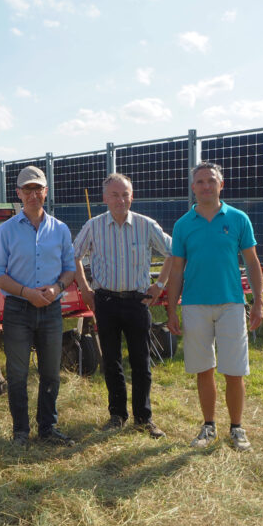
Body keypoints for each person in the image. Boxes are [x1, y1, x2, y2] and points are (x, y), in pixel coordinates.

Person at [166, 162, 263, 452]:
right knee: (204, 369)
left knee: (234, 370)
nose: (206, 186)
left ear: (222, 185)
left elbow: (252, 262)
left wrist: (258, 301)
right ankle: (208, 425)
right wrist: (171, 309)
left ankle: (237, 428)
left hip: (232, 304)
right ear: (193, 187)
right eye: (200, 181)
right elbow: (177, 271)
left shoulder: (238, 219)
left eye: (211, 180)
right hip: (194, 306)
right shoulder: (183, 225)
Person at [73, 173, 173, 438]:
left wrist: (159, 285)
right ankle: (117, 415)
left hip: (137, 303)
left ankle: (144, 418)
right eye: (114, 195)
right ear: (105, 198)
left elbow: (174, 252)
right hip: (105, 302)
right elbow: (73, 256)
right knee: (112, 361)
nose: (120, 199)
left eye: (125, 194)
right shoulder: (94, 226)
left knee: (141, 361)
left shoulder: (145, 225)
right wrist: (85, 289)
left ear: (132, 196)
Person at [0, 166, 77, 447]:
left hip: (51, 308)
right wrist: (27, 293)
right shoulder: (5, 230)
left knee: (51, 372)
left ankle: (48, 428)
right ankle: (21, 432)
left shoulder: (60, 229)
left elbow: (69, 270)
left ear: (46, 192)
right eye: (27, 189)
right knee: (18, 373)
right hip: (18, 309)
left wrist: (56, 288)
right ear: (18, 194)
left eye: (37, 188)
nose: (33, 194)